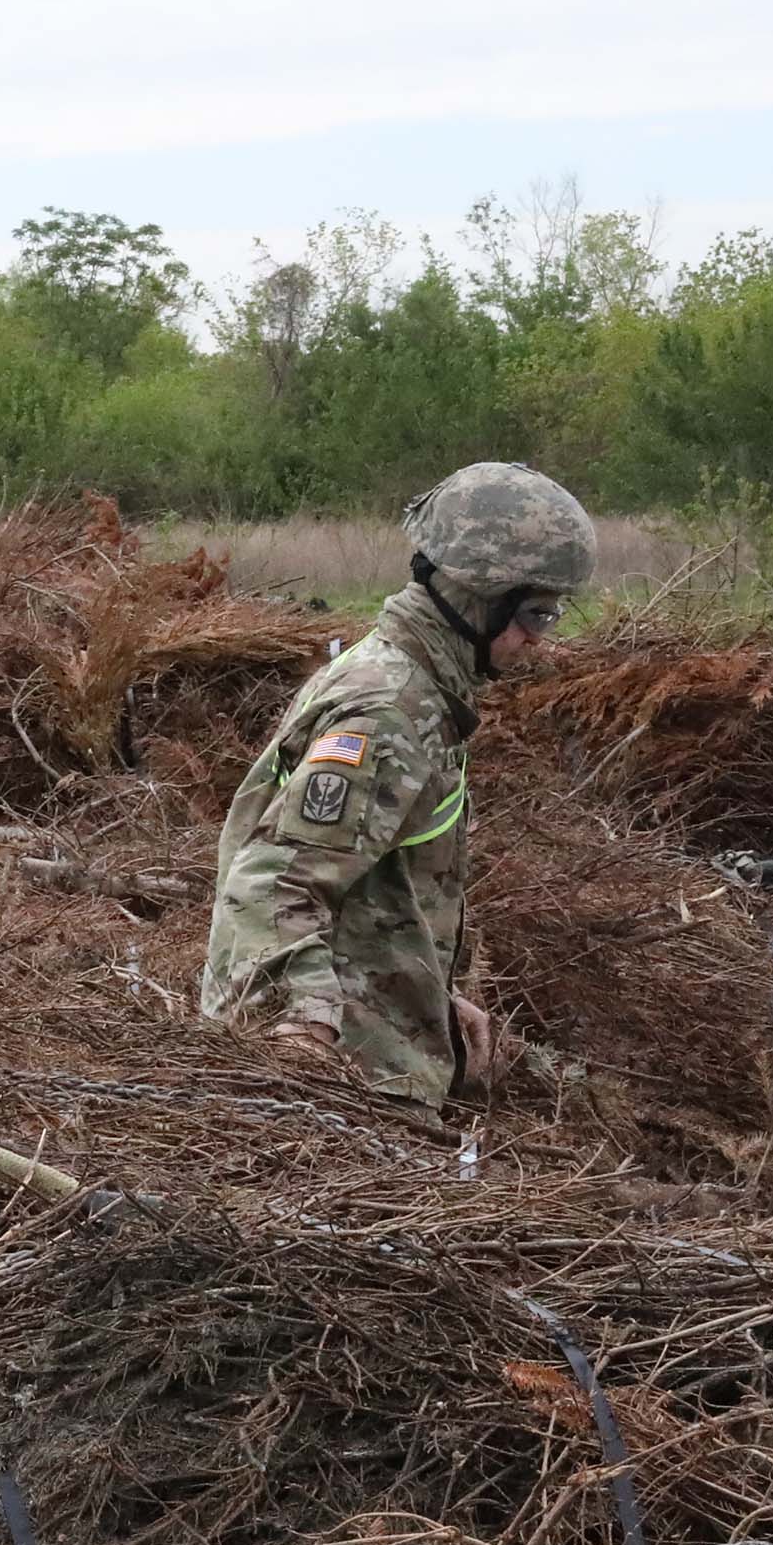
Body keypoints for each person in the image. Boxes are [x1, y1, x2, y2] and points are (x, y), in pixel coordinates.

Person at [199, 461, 594, 1107]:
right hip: (342, 1087)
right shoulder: (387, 713)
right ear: (476, 599)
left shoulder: (408, 684)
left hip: (374, 1060)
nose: (540, 641)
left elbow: (368, 883)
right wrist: (303, 1036)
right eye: (535, 614)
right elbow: (270, 886)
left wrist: (430, 1000)